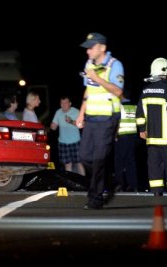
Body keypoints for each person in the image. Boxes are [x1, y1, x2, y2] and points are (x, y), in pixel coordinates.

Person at [75, 32, 124, 210]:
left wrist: (97, 78)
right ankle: (108, 183)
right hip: (91, 118)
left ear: (102, 48)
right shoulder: (89, 64)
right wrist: (81, 114)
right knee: (84, 157)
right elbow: (88, 91)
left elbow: (118, 91)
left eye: (91, 47)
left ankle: (95, 198)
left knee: (98, 159)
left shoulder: (114, 65)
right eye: (87, 48)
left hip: (108, 118)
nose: (88, 51)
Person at [136, 57, 167, 196]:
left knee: (154, 167)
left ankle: (157, 192)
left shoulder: (145, 90)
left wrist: (141, 129)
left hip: (151, 139)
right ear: (164, 71)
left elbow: (139, 112)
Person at [50, 96, 85, 175]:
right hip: (63, 143)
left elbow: (82, 125)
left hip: (76, 142)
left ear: (70, 104)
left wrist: (71, 121)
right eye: (61, 103)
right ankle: (70, 184)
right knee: (67, 165)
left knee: (79, 163)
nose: (63, 105)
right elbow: (54, 127)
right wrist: (52, 126)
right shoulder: (58, 112)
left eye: (65, 103)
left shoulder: (76, 112)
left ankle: (83, 182)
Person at [114, 98, 139, 192]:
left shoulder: (120, 106)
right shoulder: (134, 106)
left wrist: (115, 135)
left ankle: (119, 185)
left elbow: (118, 121)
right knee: (131, 162)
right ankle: (133, 185)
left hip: (122, 136)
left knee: (119, 162)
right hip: (132, 136)